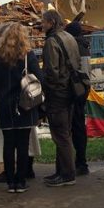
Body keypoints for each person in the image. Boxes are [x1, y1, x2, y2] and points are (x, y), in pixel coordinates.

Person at [0, 23, 42, 193]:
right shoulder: (28, 55)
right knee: (23, 145)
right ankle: (21, 180)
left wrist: (2, 93)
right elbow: (39, 78)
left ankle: (11, 181)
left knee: (8, 145)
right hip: (25, 104)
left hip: (5, 105)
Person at [41, 10, 81, 187]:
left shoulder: (51, 41)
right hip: (72, 89)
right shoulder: (69, 37)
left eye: (43, 22)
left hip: (58, 92)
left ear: (50, 22)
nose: (41, 26)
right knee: (65, 131)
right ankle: (61, 171)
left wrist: (48, 89)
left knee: (60, 134)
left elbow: (52, 71)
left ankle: (67, 174)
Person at [65, 15, 91, 176]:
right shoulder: (85, 45)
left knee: (74, 126)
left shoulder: (75, 47)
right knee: (80, 125)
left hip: (75, 90)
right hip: (84, 89)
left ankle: (79, 162)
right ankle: (81, 160)